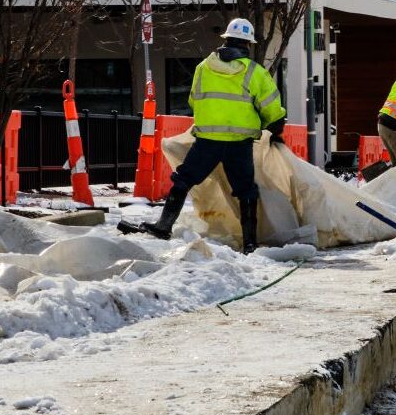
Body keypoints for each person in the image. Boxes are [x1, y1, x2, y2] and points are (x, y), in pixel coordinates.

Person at [118, 18, 286, 253]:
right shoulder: (255, 72)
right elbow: (272, 110)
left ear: (226, 40)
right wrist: (275, 128)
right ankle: (249, 243)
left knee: (184, 180)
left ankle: (163, 226)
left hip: (207, 141)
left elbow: (194, 101)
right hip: (239, 144)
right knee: (246, 191)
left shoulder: (203, 68)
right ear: (247, 44)